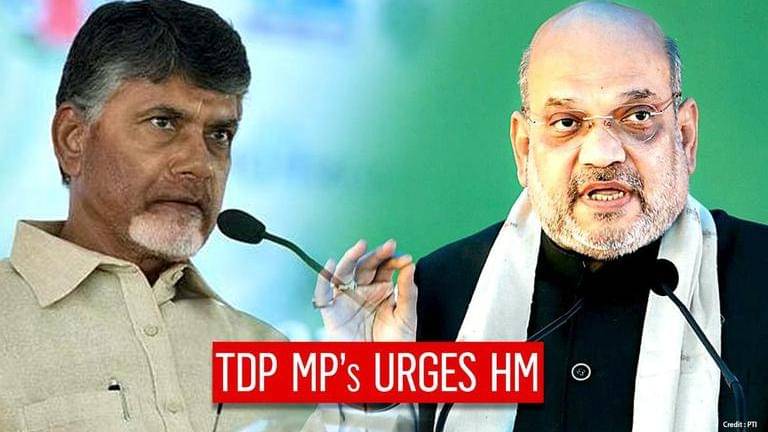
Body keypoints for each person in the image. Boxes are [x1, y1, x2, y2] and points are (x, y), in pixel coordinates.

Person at [0, 1, 412, 431]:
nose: (199, 164)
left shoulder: (263, 352)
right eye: (163, 123)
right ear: (73, 139)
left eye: (220, 134)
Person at [407, 2, 768, 432]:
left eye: (638, 116)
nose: (602, 153)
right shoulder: (436, 296)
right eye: (566, 122)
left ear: (685, 136)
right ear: (524, 149)